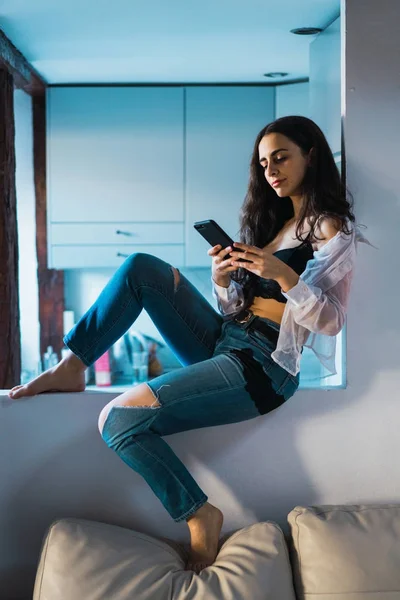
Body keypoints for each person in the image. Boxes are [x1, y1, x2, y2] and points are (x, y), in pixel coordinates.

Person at [8, 116, 373, 574]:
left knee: (118, 420)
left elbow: (331, 321)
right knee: (142, 267)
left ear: (311, 155)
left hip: (263, 367)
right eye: (263, 163)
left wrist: (282, 274)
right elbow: (236, 311)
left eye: (281, 157)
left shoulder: (328, 228)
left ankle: (199, 514)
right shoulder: (275, 225)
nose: (271, 171)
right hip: (228, 341)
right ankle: (76, 361)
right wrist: (223, 280)